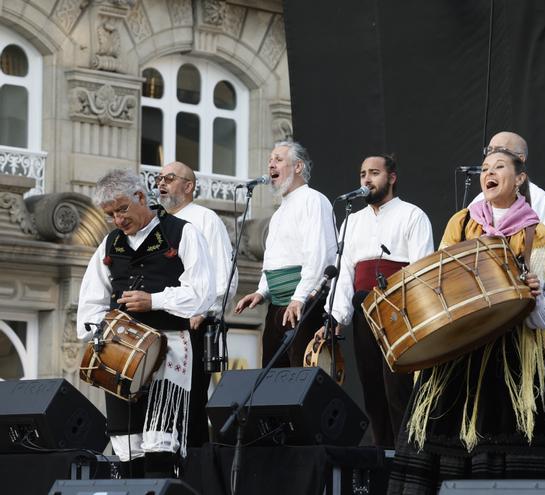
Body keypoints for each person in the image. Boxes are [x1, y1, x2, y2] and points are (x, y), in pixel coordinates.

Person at [388, 149, 545, 495]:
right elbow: (439, 282)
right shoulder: (462, 223)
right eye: (484, 168)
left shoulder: (537, 234)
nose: (488, 174)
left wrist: (536, 293)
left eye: (499, 167)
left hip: (515, 361)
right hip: (462, 352)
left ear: (520, 178)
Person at [76, 169, 214, 477]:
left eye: (122, 209)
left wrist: (154, 301)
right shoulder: (109, 244)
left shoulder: (182, 233)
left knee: (162, 448)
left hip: (171, 350)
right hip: (120, 357)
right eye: (110, 214)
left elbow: (202, 294)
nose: (118, 220)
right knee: (128, 449)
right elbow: (90, 304)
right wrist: (102, 336)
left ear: (141, 197)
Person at [317, 154, 433, 448]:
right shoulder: (352, 221)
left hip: (398, 313)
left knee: (398, 390)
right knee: (372, 390)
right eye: (362, 174)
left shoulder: (412, 215)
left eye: (374, 173)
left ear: (391, 178)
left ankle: (408, 457)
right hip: (363, 313)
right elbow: (344, 275)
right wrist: (335, 318)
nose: (367, 180)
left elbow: (421, 271)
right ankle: (383, 459)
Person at [155, 160, 238, 447]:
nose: (161, 183)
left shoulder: (205, 219)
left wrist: (205, 310)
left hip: (192, 322)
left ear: (189, 186)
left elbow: (224, 275)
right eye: (159, 178)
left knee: (190, 405)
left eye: (169, 178)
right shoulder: (156, 222)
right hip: (161, 321)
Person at [234, 141, 336, 368]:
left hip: (303, 305)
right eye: (270, 159)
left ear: (298, 167)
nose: (271, 164)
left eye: (278, 159)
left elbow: (317, 256)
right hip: (278, 306)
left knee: (299, 376)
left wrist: (298, 298)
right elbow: (274, 259)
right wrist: (262, 291)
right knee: (271, 377)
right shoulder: (279, 212)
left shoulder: (313, 200)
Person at [470, 131, 545, 300]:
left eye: (500, 150)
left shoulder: (540, 199)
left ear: (521, 159)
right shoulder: (472, 209)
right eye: (489, 150)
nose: (492, 154)